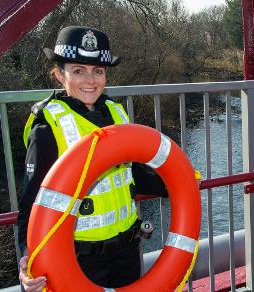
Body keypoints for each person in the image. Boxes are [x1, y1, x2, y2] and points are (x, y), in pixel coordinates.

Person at [16, 26, 167, 291]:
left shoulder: (117, 113)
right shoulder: (48, 127)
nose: (90, 80)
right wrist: (26, 258)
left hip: (127, 250)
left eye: (98, 71)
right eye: (78, 71)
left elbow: (133, 174)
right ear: (59, 75)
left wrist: (176, 183)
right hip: (79, 258)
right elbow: (31, 203)